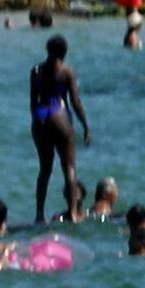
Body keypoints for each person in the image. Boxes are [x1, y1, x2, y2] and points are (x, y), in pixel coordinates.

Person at [27, 31, 92, 222]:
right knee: (69, 167)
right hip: (59, 114)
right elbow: (75, 102)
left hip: (40, 117)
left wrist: (36, 122)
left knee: (44, 169)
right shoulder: (67, 72)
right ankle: (72, 213)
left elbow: (33, 102)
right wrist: (86, 125)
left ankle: (39, 214)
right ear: (64, 53)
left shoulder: (36, 71)